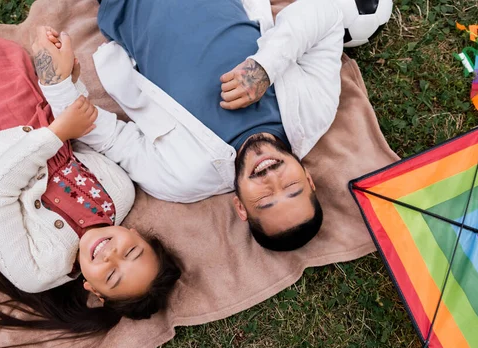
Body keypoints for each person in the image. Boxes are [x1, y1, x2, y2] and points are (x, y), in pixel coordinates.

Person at [0, 0, 181, 335]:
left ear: (93, 291)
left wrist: (56, 134)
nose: (111, 256)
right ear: (136, 234)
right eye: (131, 251)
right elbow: (79, 137)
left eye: (111, 276)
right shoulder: (118, 193)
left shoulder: (36, 272)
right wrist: (67, 79)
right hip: (18, 106)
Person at [43, 0, 344, 251]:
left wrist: (52, 75)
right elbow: (325, 14)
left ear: (241, 208)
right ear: (308, 178)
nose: (271, 179)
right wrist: (265, 67)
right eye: (291, 187)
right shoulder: (314, 111)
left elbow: (110, 140)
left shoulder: (182, 177)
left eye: (265, 199)